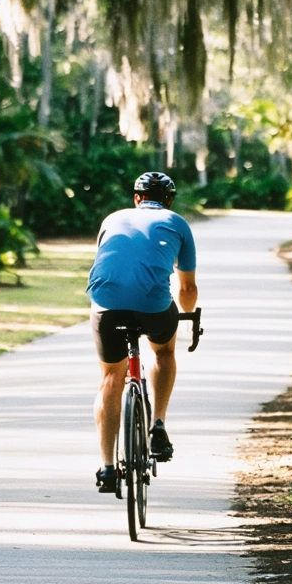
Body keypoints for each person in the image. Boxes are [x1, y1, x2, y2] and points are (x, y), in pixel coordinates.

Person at [86, 171, 198, 493]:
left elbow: (111, 263)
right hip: (152, 304)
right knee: (163, 351)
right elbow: (187, 287)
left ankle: (107, 467)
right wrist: (186, 312)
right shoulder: (178, 223)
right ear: (169, 201)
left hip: (105, 303)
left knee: (111, 378)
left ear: (136, 198)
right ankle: (158, 425)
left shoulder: (112, 219)